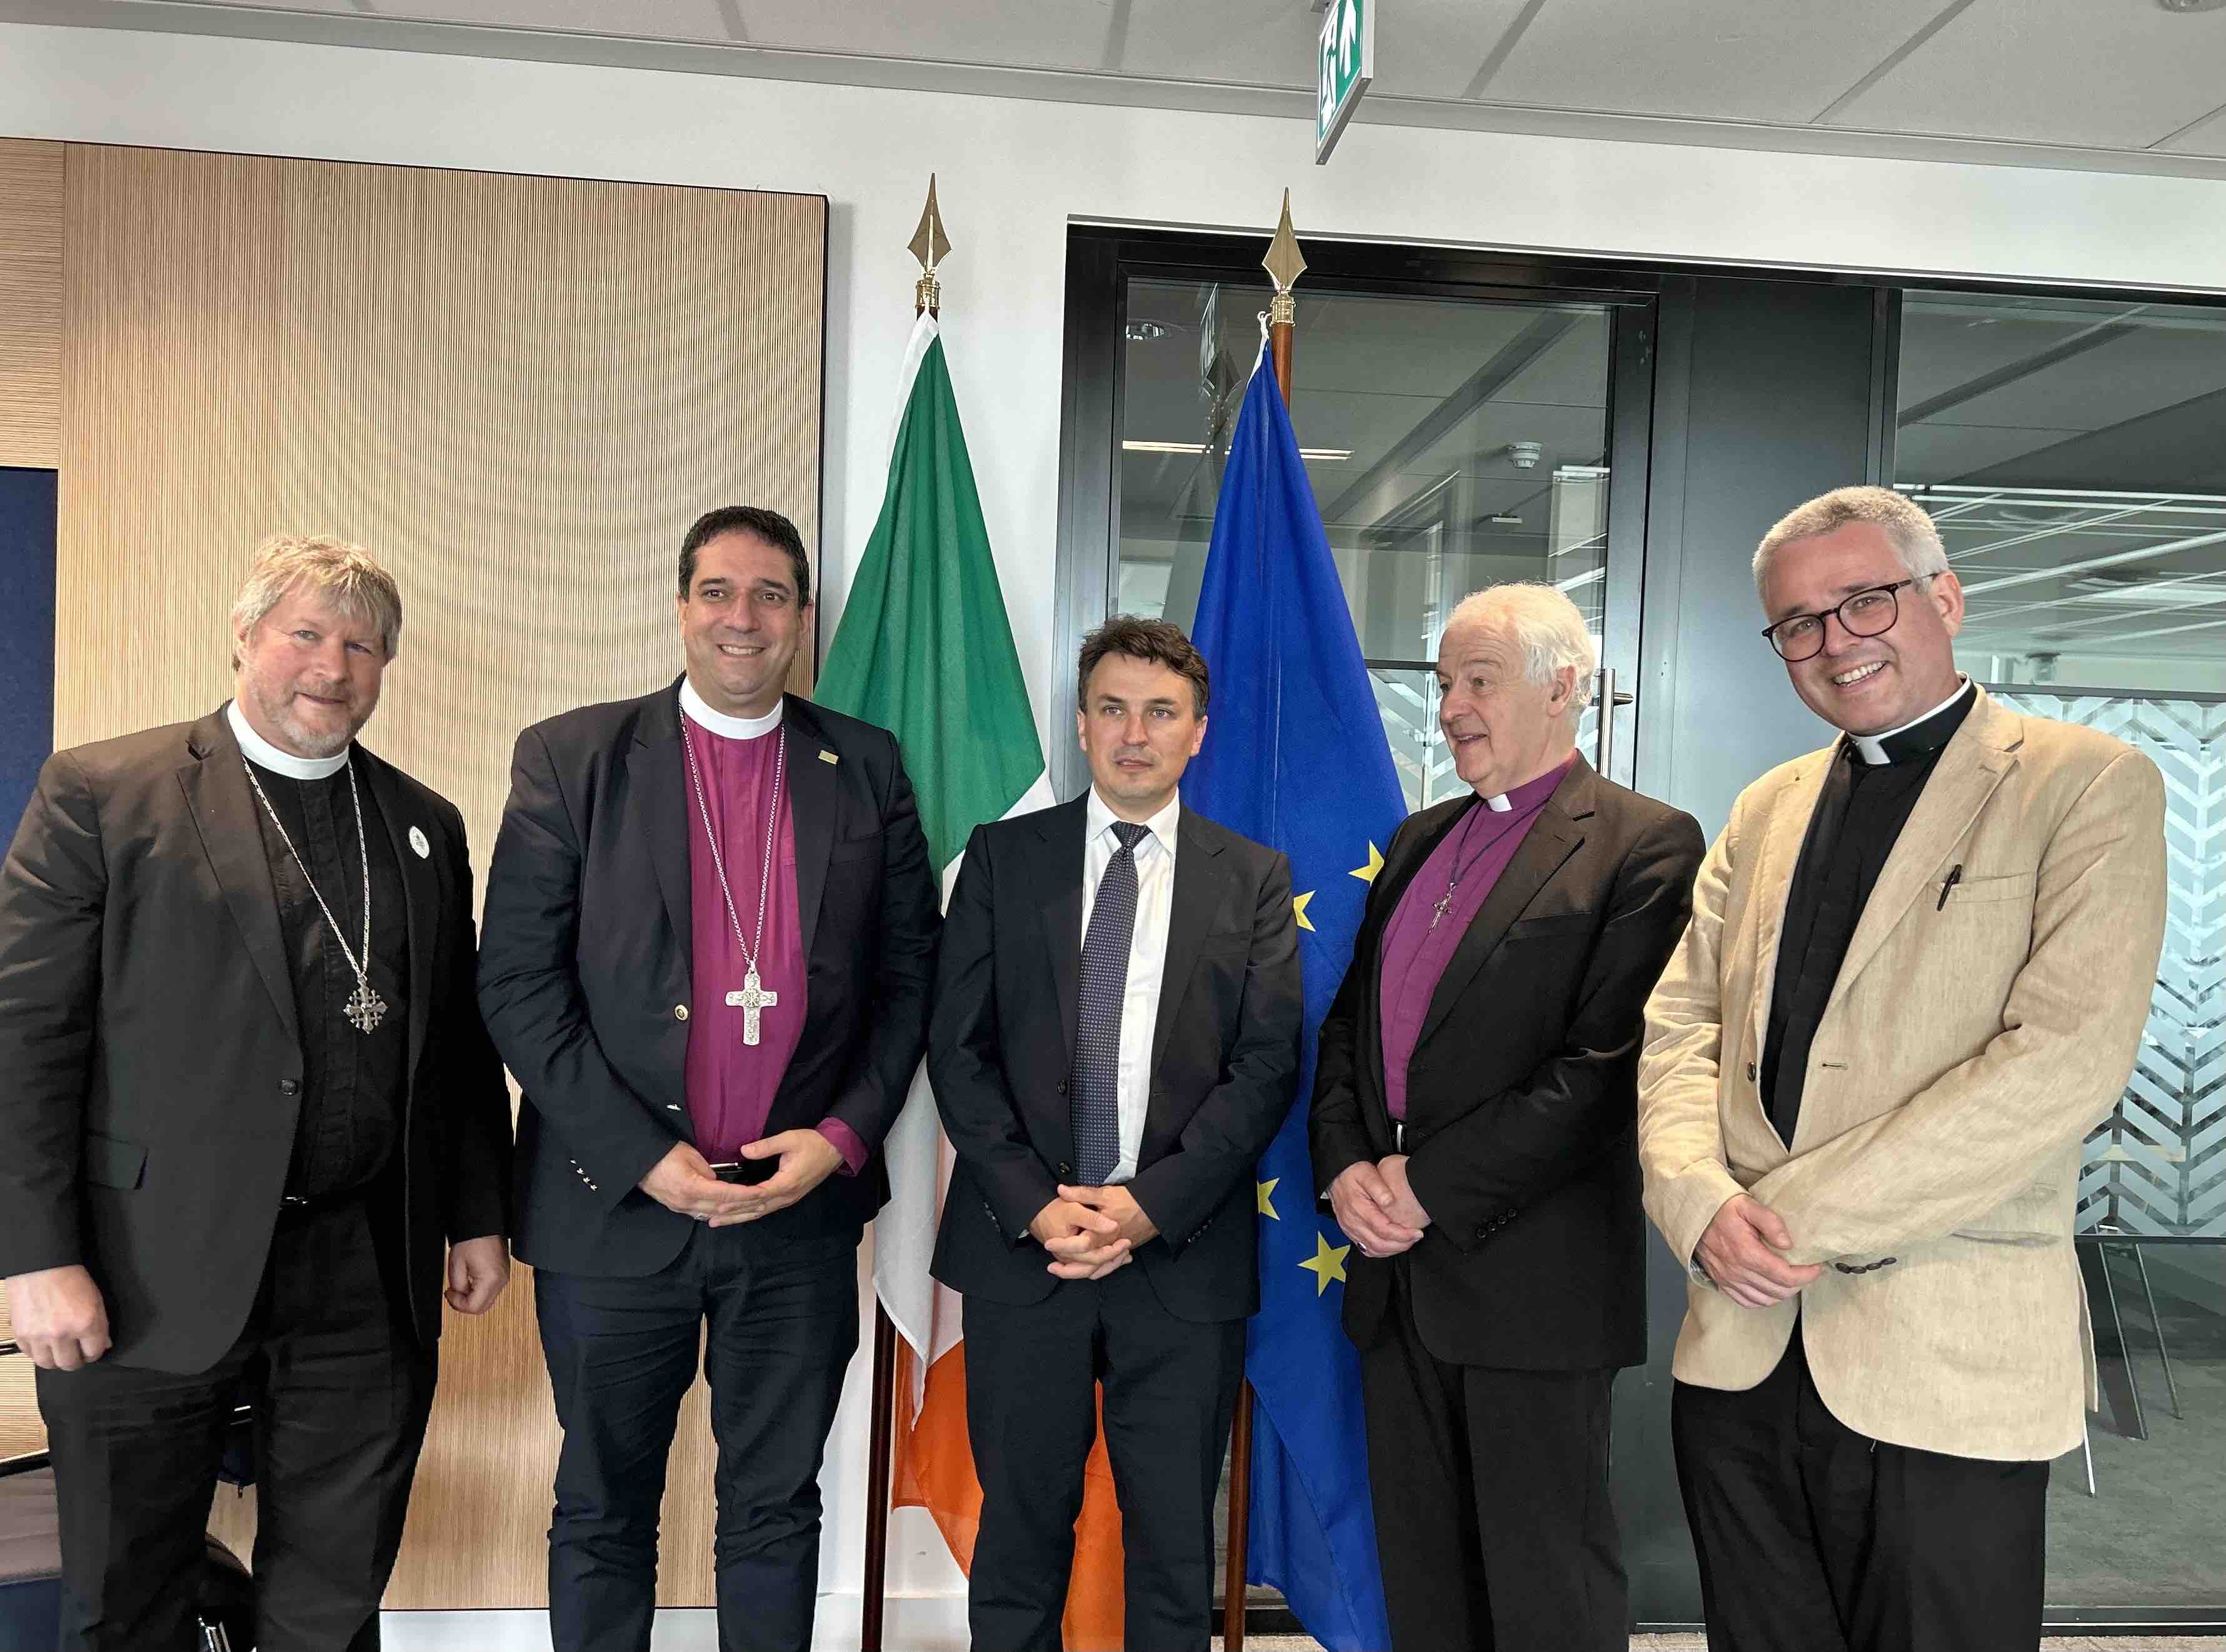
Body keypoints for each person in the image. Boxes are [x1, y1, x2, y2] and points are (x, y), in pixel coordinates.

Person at [1638, 486, 2168, 1652]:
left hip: (1945, 1351)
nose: (1833, 642)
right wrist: (1694, 1204)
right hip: (1739, 1341)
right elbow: (1681, 1024)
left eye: (1862, 600)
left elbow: (2062, 1060)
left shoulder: (2086, 783)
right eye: (1797, 623)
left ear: (1942, 597)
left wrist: (1777, 1220)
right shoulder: (1764, 808)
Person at [0, 534, 513, 1652]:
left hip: (363, 1268)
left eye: (363, 645)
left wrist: (477, 1211)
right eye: (306, 634)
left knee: (330, 1594)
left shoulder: (425, 824)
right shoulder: (105, 792)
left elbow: (458, 1043)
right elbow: (25, 1036)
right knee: (128, 1593)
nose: (333, 667)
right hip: (141, 1262)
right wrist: (36, 1258)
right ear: (243, 638)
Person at [478, 504, 938, 1652]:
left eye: (771, 596)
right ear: (682, 607)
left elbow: (910, 977)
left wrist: (841, 1137)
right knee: (601, 1507)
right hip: (610, 1214)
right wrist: (642, 1157)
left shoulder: (864, 763)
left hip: (796, 1220)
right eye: (720, 592)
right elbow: (517, 987)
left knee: (775, 1507)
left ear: (801, 621)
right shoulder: (573, 758)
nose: (744, 618)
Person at [1309, 581, 1703, 1651]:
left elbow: (1601, 1068)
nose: (1450, 708)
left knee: (1546, 1584)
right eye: (1443, 684)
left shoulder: (1645, 845)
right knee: (1423, 1574)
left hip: (1533, 1280)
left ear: (1562, 688)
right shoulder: (1417, 837)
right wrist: (1345, 1168)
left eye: (1478, 681)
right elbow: (1349, 1029)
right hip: (1393, 1274)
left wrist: (1420, 1188)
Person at [928, 616, 1301, 1652]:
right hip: (1024, 1245)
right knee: (1020, 1533)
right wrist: (1038, 1204)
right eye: (1111, 709)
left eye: (1160, 713)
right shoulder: (1005, 861)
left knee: (1175, 1547)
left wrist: (1146, 1207)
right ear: (1082, 727)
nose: (1134, 733)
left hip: (1180, 1254)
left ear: (1197, 733)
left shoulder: (1252, 877)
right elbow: (957, 1051)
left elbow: (1265, 1065)